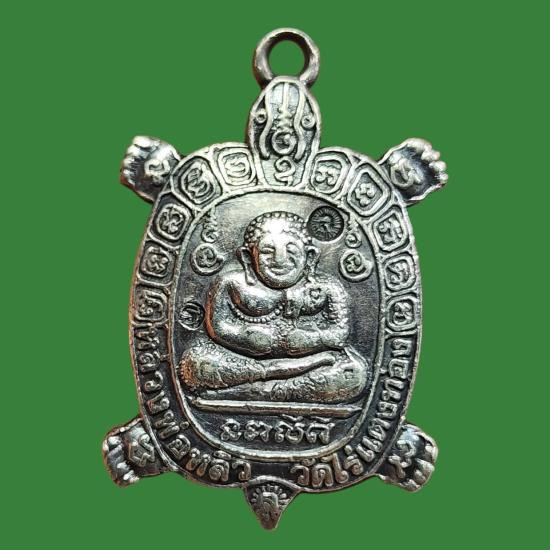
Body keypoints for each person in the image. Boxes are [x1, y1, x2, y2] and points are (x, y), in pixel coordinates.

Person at [179, 211, 368, 403]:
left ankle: (256, 392)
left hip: (314, 361)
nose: (280, 259)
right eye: (268, 251)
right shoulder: (231, 283)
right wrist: (245, 337)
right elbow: (217, 327)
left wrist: (311, 338)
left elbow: (339, 333)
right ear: (247, 257)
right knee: (196, 363)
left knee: (353, 373)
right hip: (244, 361)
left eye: (291, 250)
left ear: (310, 257)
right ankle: (268, 379)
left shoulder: (327, 287)